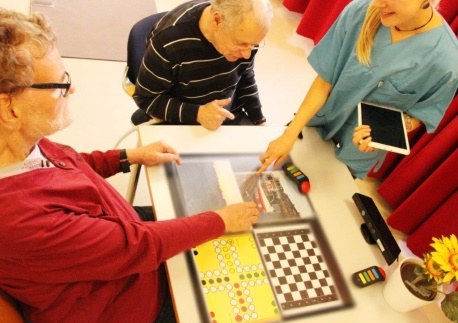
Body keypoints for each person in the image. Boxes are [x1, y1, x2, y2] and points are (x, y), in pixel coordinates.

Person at [0, 9, 260, 322]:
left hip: (120, 230)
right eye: (59, 85)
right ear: (9, 108)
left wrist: (126, 157)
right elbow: (138, 246)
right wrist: (222, 220)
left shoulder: (17, 141)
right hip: (130, 301)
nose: (72, 89)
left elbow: (66, 164)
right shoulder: (19, 220)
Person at [259, 0, 458, 178]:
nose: (379, 3)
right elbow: (324, 81)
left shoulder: (448, 61)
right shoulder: (359, 11)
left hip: (354, 154)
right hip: (312, 124)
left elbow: (422, 114)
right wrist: (289, 134)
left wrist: (383, 134)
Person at [133, 0, 273, 130]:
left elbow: (245, 75)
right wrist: (197, 114)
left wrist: (259, 120)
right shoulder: (167, 40)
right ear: (217, 20)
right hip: (181, 121)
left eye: (254, 45)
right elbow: (146, 98)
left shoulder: (245, 36)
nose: (247, 54)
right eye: (241, 44)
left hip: (227, 115)